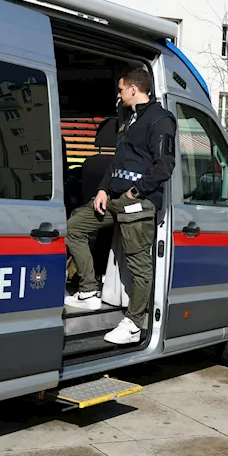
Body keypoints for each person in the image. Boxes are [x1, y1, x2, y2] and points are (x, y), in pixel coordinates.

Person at [64, 67, 177, 345]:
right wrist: (103, 188)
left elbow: (165, 166)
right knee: (74, 228)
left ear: (133, 90)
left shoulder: (160, 120)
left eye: (120, 89)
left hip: (137, 203)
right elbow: (117, 160)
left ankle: (135, 324)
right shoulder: (127, 117)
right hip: (113, 199)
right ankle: (89, 291)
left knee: (140, 266)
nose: (118, 93)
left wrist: (135, 192)